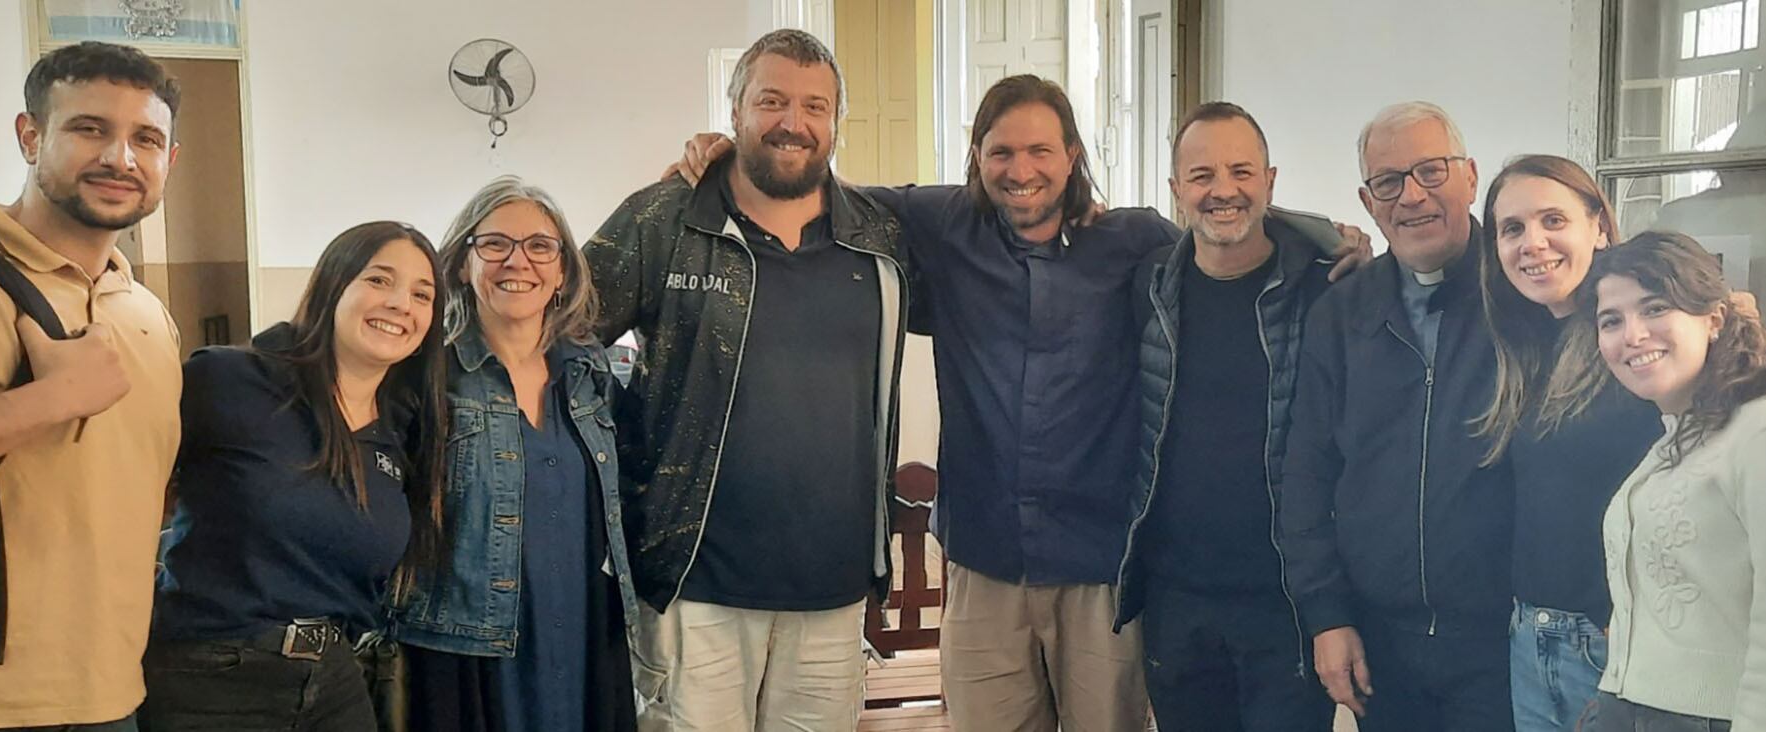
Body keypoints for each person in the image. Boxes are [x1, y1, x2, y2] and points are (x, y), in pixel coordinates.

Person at [670, 76, 1370, 732]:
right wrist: (737, 153)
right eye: (1001, 151)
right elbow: (824, 191)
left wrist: (1327, 235)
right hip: (984, 564)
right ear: (977, 158)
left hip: (1101, 572)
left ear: (1071, 157)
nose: (1021, 168)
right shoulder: (938, 224)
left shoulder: (1135, 243)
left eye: (1040, 149)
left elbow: (1226, 217)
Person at [585, 29, 909, 731]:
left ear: (835, 123)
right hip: (693, 585)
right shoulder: (663, 218)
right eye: (772, 101)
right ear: (734, 111)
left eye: (814, 106)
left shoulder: (878, 235)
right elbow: (562, 336)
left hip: (834, 589)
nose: (793, 122)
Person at [140, 221, 449, 732]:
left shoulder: (403, 429)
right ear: (333, 287)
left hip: (333, 677)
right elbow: (130, 495)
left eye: (422, 294)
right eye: (378, 280)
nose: (401, 303)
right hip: (210, 677)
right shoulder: (228, 380)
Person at [0, 41, 182, 731]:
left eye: (146, 138)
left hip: (111, 691)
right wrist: (46, 401)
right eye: (90, 128)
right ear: (30, 136)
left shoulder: (145, 310)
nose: (121, 158)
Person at [1568, 231, 1766, 732]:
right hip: (1638, 710)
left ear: (1714, 319)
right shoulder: (1681, 435)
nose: (1633, 335)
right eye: (1611, 321)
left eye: (1656, 308)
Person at [1278, 100, 1514, 731]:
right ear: (1367, 200)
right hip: (1384, 645)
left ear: (1469, 176)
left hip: (1507, 642)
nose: (1412, 196)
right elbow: (1304, 475)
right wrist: (1326, 616)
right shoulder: (1341, 312)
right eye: (1389, 182)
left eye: (1431, 172)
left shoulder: (1522, 296)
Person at [1113, 101, 1339, 730]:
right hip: (1177, 601)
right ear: (1176, 190)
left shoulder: (1324, 289)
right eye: (1202, 175)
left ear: (1270, 181)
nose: (1223, 191)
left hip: (1285, 603)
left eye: (1242, 172)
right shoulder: (1149, 286)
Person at [394, 176, 638, 732]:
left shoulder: (589, 372)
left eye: (539, 246)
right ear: (462, 263)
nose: (517, 261)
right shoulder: (428, 375)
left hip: (583, 627)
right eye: (495, 244)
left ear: (560, 272)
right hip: (469, 643)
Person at [1472, 154, 1656, 731]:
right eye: (1513, 229)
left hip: (1615, 649)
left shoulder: (1642, 342)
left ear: (1598, 226)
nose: (1533, 243)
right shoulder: (1522, 344)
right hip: (1530, 639)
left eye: (1554, 220)